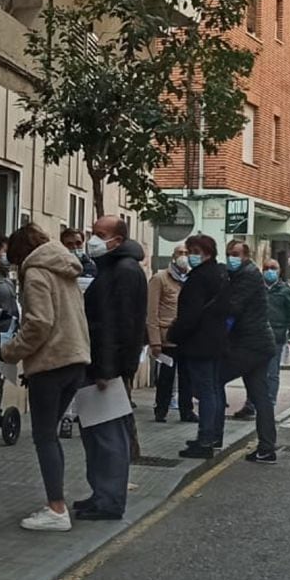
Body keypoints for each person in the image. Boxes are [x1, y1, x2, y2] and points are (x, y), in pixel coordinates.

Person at [0, 223, 90, 532]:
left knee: (44, 436)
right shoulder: (65, 270)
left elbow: (39, 324)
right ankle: (57, 503)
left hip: (51, 364)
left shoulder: (36, 272)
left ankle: (56, 509)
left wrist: (9, 352)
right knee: (50, 435)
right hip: (74, 360)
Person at [75, 216, 147, 521]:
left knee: (108, 436)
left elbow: (121, 325)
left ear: (116, 240)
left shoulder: (125, 271)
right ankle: (100, 494)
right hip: (99, 363)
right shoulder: (112, 267)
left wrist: (108, 368)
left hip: (108, 367)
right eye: (92, 233)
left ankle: (110, 500)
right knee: (95, 433)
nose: (93, 239)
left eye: (99, 234)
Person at [217, 241, 278, 464]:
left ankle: (212, 437)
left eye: (234, 255)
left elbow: (233, 308)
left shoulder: (247, 276)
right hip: (260, 345)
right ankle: (267, 448)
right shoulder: (245, 274)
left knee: (215, 379)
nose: (230, 258)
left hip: (249, 345)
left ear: (245, 256)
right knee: (261, 398)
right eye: (228, 254)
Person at [170, 235, 229, 459]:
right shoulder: (221, 275)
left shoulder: (199, 278)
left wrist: (175, 333)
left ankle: (205, 440)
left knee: (205, 392)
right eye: (188, 251)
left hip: (199, 342)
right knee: (212, 389)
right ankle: (211, 436)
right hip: (216, 340)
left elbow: (190, 315)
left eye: (194, 251)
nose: (191, 256)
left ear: (207, 252)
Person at [233, 259, 290, 420]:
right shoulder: (257, 289)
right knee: (252, 372)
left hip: (276, 337)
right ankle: (250, 405)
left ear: (279, 271)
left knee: (271, 373)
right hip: (255, 335)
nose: (269, 271)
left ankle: (268, 406)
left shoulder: (285, 290)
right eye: (267, 268)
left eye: (273, 268)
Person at [148, 244, 197, 424]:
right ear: (173, 256)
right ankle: (161, 409)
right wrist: (154, 341)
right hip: (166, 338)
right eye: (180, 253)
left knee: (187, 376)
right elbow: (152, 312)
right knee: (165, 377)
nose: (183, 256)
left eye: (186, 253)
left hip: (187, 338)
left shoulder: (192, 278)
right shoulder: (160, 278)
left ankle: (187, 410)